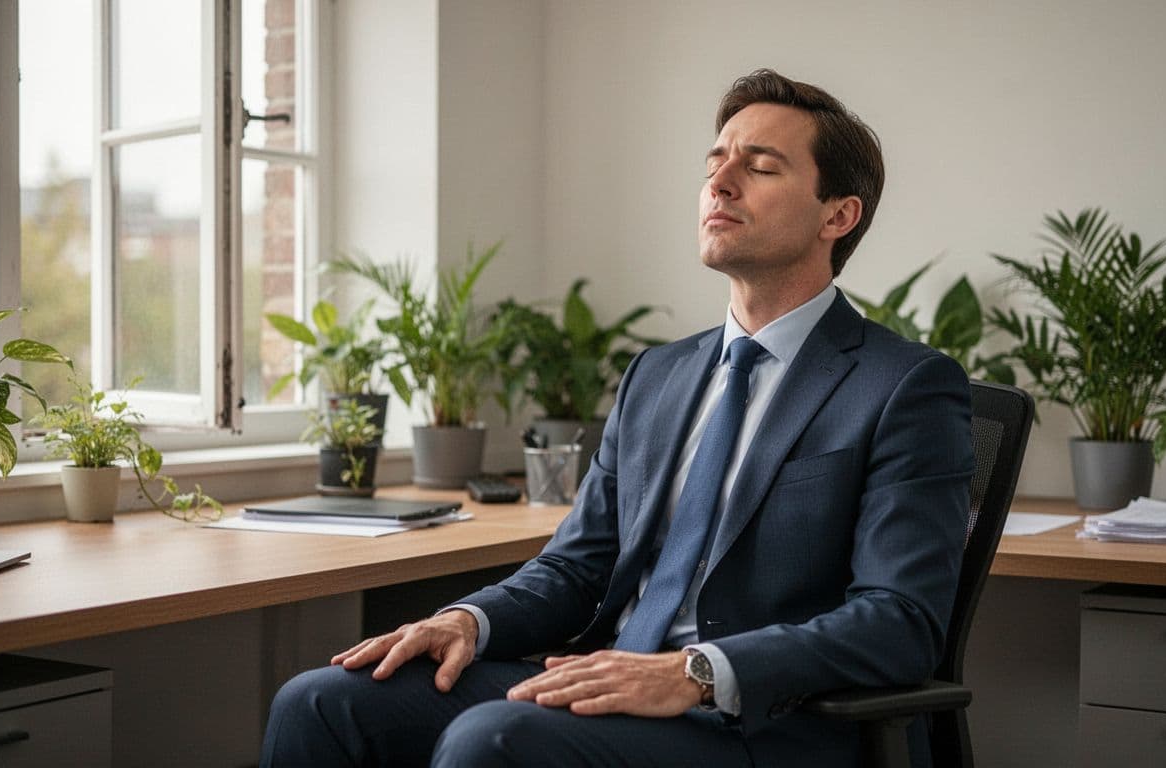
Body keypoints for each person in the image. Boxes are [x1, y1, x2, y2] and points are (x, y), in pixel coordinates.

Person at [260, 68, 973, 768]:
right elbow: (579, 566)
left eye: (758, 168)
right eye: (715, 163)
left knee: (494, 742)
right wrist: (467, 621)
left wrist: (693, 671)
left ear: (836, 215)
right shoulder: (657, 376)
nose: (720, 183)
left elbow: (899, 620)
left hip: (763, 720)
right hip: (613, 676)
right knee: (321, 700)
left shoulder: (904, 386)